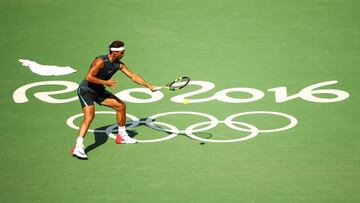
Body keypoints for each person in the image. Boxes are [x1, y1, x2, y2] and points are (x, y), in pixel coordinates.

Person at [72, 40, 157, 159]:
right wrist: (105, 82)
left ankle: (121, 136)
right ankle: (78, 146)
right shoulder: (100, 61)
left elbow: (133, 76)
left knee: (121, 106)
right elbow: (89, 77)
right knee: (89, 117)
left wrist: (149, 86)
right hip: (86, 91)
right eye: (122, 52)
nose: (123, 54)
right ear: (115, 52)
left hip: (99, 91)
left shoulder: (119, 64)